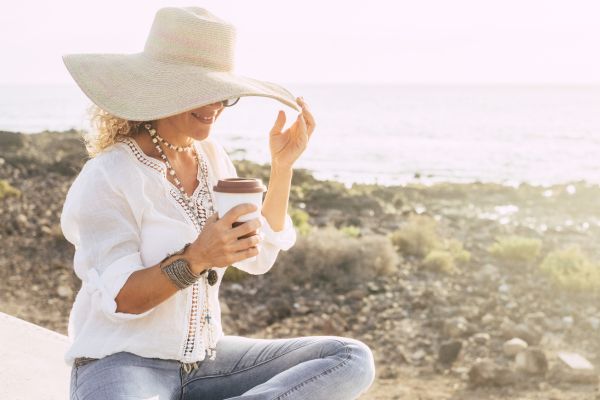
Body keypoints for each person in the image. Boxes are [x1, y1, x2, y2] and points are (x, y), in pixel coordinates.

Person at [60, 6, 375, 400]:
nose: (215, 105)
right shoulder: (108, 176)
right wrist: (196, 258)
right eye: (199, 90)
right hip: (122, 361)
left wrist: (282, 167)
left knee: (350, 358)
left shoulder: (211, 157)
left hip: (208, 363)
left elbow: (256, 258)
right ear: (159, 87)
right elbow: (122, 299)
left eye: (222, 94)